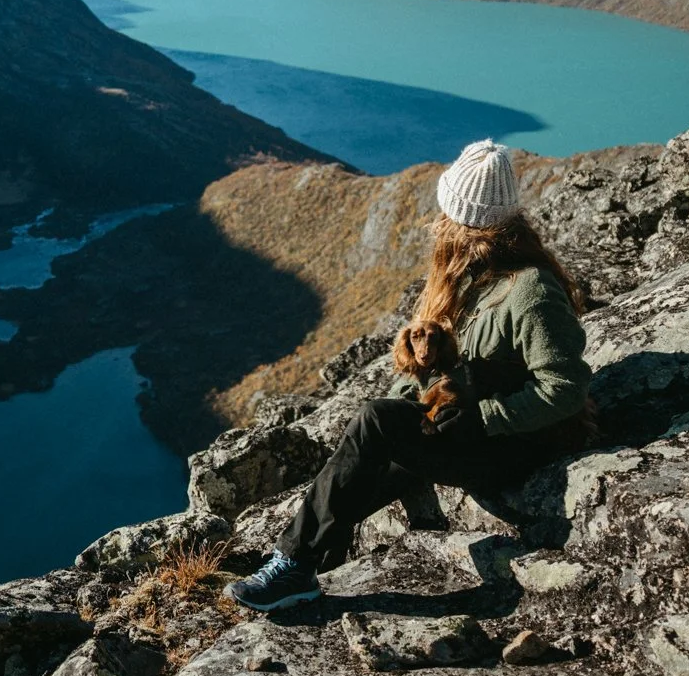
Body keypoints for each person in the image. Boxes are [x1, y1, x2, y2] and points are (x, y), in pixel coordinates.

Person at [228, 138, 593, 612]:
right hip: (466, 425)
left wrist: (484, 417)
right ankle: (317, 550)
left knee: (375, 423)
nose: (439, 220)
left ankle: (294, 566)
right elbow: (427, 369)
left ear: (464, 221)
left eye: (448, 210)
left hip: (515, 446)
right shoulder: (466, 277)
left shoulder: (530, 291)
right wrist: (413, 404)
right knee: (375, 446)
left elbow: (564, 388)